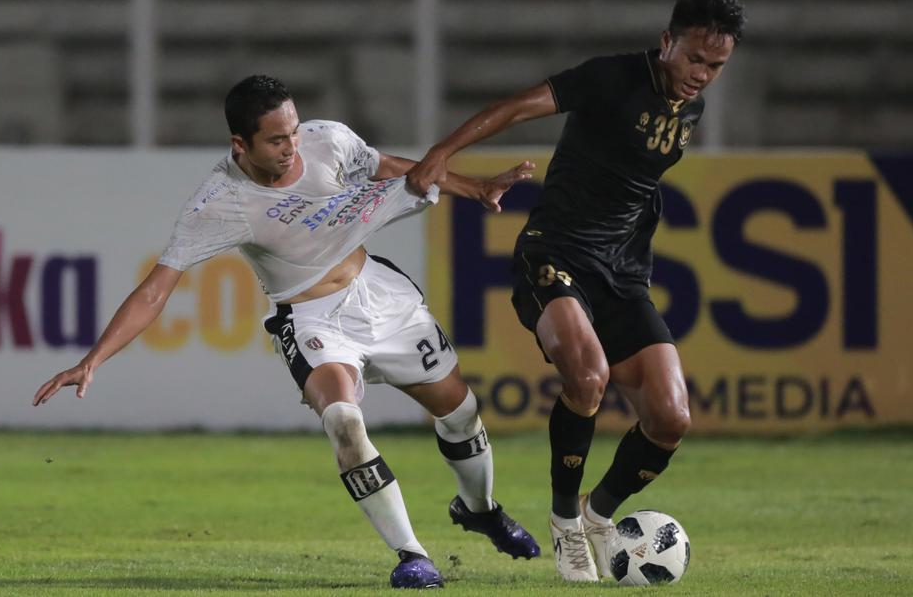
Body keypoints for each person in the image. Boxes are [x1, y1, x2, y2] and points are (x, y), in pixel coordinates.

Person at [33, 75, 541, 589]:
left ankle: (479, 509)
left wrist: (470, 185)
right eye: (276, 140)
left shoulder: (327, 140)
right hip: (312, 320)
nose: (292, 147)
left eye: (293, 132)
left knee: (461, 413)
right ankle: (411, 554)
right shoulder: (219, 204)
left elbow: (389, 169)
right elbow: (155, 291)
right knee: (343, 420)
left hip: (381, 298)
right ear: (241, 144)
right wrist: (93, 359)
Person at [405, 0, 746, 583]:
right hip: (554, 253)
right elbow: (517, 105)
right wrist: (441, 153)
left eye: (716, 65)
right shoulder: (613, 78)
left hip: (622, 272)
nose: (702, 74)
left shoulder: (688, 103)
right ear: (667, 41)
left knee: (671, 418)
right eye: (694, 58)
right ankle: (565, 523)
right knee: (588, 376)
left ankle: (598, 513)